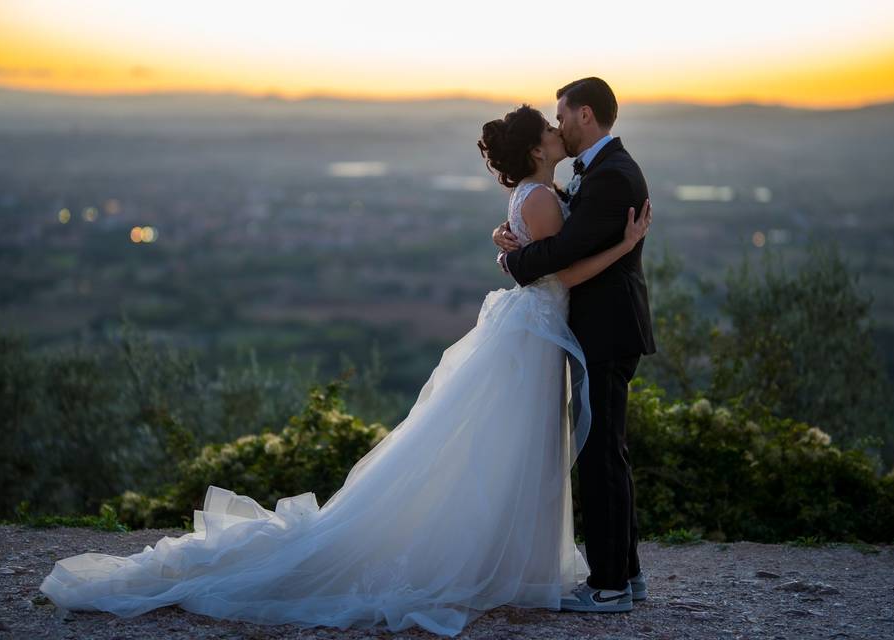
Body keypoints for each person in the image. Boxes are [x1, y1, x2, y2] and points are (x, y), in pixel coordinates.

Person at [38, 104, 651, 637]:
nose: (556, 129)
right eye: (549, 127)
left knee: (509, 449)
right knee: (514, 449)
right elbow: (554, 272)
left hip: (533, 332)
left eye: (557, 120)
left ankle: (525, 559)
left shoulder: (535, 195)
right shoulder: (541, 196)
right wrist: (625, 247)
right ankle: (510, 561)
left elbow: (538, 254)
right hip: (536, 332)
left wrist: (519, 246)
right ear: (537, 147)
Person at [492, 77, 656, 613]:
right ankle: (625, 575)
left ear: (585, 115)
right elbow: (557, 225)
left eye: (561, 114)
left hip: (606, 330)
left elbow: (560, 255)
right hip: (596, 328)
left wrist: (510, 260)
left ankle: (608, 586)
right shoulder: (602, 172)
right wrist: (509, 233)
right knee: (606, 452)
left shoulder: (612, 176)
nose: (557, 123)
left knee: (601, 456)